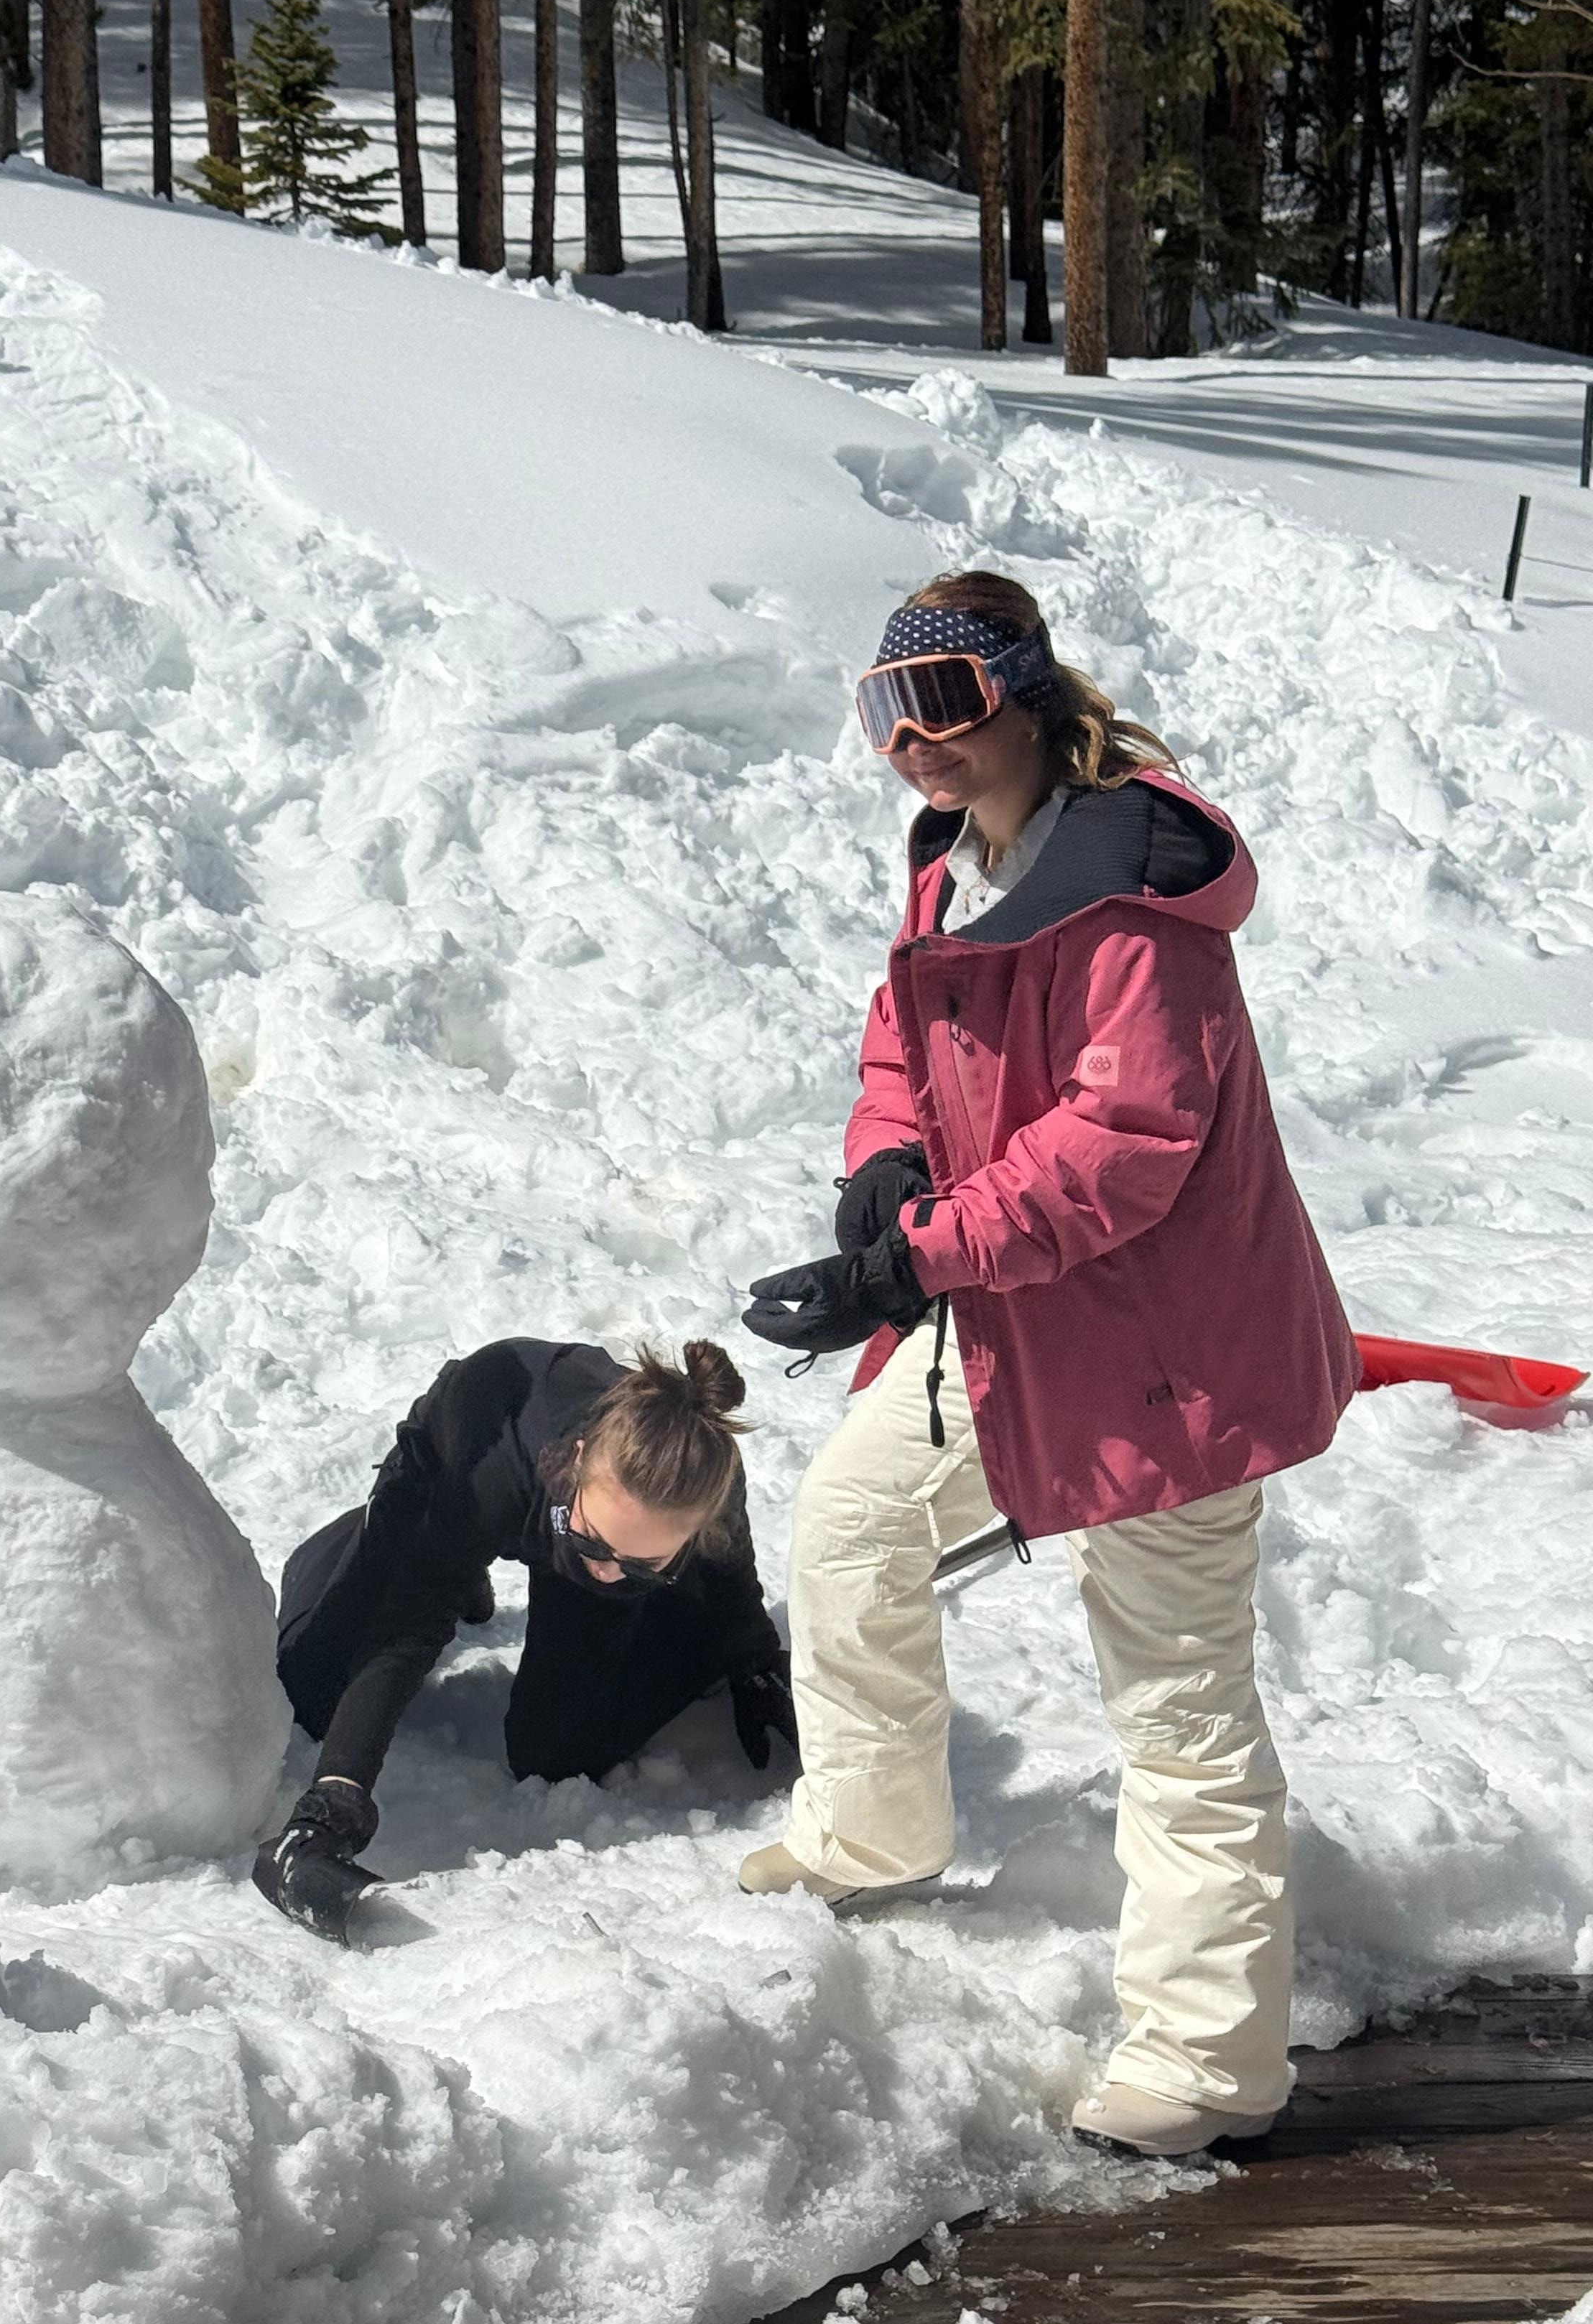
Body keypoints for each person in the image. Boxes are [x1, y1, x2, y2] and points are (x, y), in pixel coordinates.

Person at [739, 570, 1359, 2160]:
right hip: (1012, 1318)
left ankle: (1208, 2061)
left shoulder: (1130, 895)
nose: (915, 744)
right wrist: (885, 1163)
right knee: (852, 1523)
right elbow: (903, 1039)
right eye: (886, 714)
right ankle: (870, 1830)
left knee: (1177, 1705)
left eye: (942, 703)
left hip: (1165, 1357)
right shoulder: (954, 862)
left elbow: (1124, 1144)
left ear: (1019, 691)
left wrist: (911, 1261)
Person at [256, 1337, 796, 1939]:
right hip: (458, 1467)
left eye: (644, 1564)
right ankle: (366, 1542)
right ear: (579, 1460)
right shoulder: (490, 1471)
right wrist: (337, 1795)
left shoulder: (704, 1485)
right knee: (314, 1688)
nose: (609, 1572)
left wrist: (752, 1659)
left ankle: (599, 1557)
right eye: (596, 1544)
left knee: (558, 1755)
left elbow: (729, 1568)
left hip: (558, 1517)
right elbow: (409, 1624)